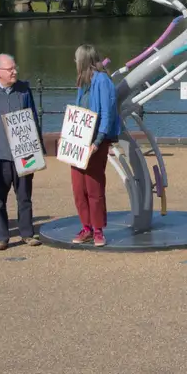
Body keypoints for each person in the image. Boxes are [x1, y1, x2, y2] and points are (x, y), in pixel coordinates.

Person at [0, 54, 41, 250]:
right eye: (10, 69)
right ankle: (1, 237)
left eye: (14, 68)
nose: (14, 72)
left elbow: (33, 117)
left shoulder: (24, 90)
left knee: (24, 197)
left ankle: (27, 233)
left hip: (24, 154)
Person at [69, 44, 121, 246]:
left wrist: (98, 141)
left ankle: (98, 229)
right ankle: (86, 227)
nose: (74, 62)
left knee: (94, 186)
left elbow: (107, 113)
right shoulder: (83, 82)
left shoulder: (102, 81)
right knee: (78, 187)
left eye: (76, 59)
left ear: (82, 60)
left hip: (95, 141)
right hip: (79, 140)